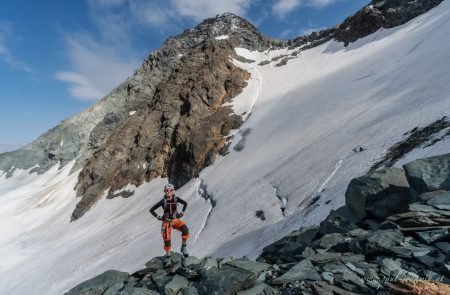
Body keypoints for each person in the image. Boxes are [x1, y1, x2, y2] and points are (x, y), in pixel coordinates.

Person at [149, 183, 189, 263]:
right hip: (166, 221)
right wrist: (158, 217)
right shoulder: (163, 201)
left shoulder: (176, 199)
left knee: (185, 229)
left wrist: (182, 213)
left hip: (175, 220)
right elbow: (152, 210)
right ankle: (168, 255)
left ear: (173, 191)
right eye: (167, 190)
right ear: (164, 191)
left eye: (170, 190)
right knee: (167, 239)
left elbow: (185, 203)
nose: (169, 192)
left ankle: (183, 247)